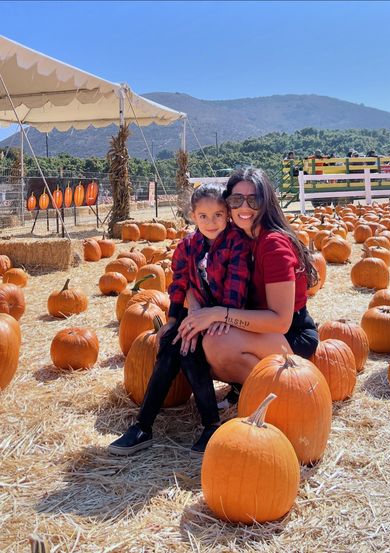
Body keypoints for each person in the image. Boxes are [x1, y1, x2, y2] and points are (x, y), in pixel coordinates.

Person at [108, 183, 252, 456]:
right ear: (192, 216)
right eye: (203, 216)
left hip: (226, 314)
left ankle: (210, 424)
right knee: (174, 346)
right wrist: (174, 320)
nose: (211, 222)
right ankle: (143, 426)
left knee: (190, 348)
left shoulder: (236, 243)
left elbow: (238, 284)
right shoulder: (187, 245)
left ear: (228, 214)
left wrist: (214, 317)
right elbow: (179, 284)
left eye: (219, 215)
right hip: (196, 312)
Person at [175, 167, 319, 402]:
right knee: (194, 346)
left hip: (289, 334)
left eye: (254, 199)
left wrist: (220, 314)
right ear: (227, 204)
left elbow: (281, 322)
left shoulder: (273, 245)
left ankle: (284, 397)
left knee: (216, 344)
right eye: (236, 199)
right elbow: (193, 276)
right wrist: (195, 309)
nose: (244, 207)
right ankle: (251, 387)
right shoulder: (234, 237)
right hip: (255, 327)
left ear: (266, 202)